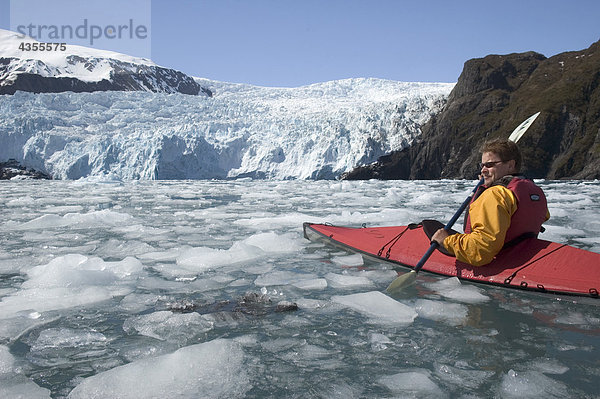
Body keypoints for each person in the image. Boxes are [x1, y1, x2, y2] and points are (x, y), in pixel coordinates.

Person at [430, 139, 549, 266]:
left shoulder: (495, 195)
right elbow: (543, 216)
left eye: (490, 165)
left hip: (501, 260)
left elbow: (480, 251)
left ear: (510, 165)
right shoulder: (534, 190)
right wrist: (489, 181)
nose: (483, 170)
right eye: (482, 166)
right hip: (522, 254)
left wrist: (446, 241)